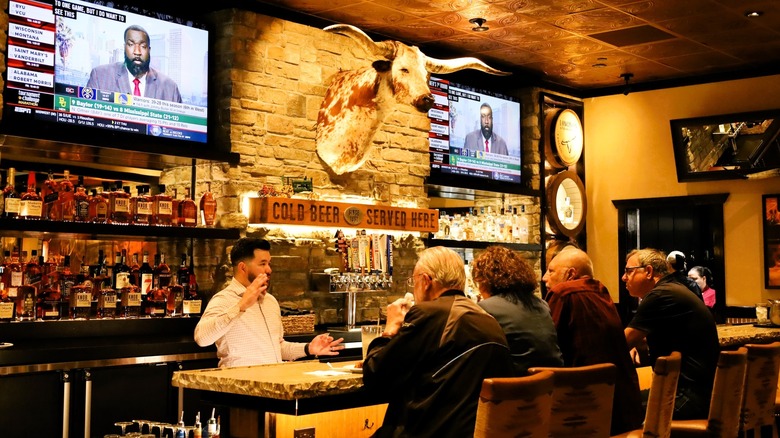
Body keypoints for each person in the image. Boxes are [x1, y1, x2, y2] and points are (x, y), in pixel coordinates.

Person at [362, 246, 514, 438]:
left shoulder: (430, 313)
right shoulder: (488, 319)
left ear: (425, 281)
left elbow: (376, 376)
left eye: (414, 281)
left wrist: (390, 328)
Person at [194, 238, 344, 368]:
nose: (269, 269)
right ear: (243, 267)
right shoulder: (224, 299)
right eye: (262, 263)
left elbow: (277, 346)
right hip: (240, 390)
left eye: (269, 263)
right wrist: (241, 306)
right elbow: (201, 338)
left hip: (272, 387)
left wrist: (308, 348)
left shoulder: (270, 301)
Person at [542, 247, 643, 435]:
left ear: (571, 274)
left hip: (585, 412)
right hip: (623, 410)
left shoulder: (563, 293)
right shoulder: (602, 292)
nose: (544, 278)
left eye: (551, 271)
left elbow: (547, 348)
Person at [622, 248, 720, 420]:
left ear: (649, 271)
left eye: (629, 271)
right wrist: (637, 343)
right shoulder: (673, 288)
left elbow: (620, 343)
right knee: (626, 402)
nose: (624, 277)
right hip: (705, 393)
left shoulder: (660, 294)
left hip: (689, 397)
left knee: (619, 410)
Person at [471, 245, 563, 375]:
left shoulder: (486, 308)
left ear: (484, 280)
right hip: (554, 380)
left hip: (518, 386)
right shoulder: (542, 304)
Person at [86, 24, 182, 103]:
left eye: (143, 46)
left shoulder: (170, 88)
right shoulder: (100, 76)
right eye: (131, 45)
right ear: (124, 47)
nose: (137, 51)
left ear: (149, 50)